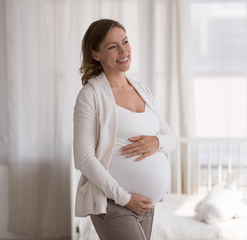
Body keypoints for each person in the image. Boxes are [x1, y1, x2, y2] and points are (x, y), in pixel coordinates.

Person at [73, 19, 176, 240]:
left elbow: (171, 137)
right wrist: (124, 198)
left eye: (125, 42)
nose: (123, 50)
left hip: (146, 205)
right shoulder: (91, 95)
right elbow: (83, 158)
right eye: (112, 46)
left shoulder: (142, 90)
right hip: (113, 202)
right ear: (96, 54)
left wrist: (157, 142)